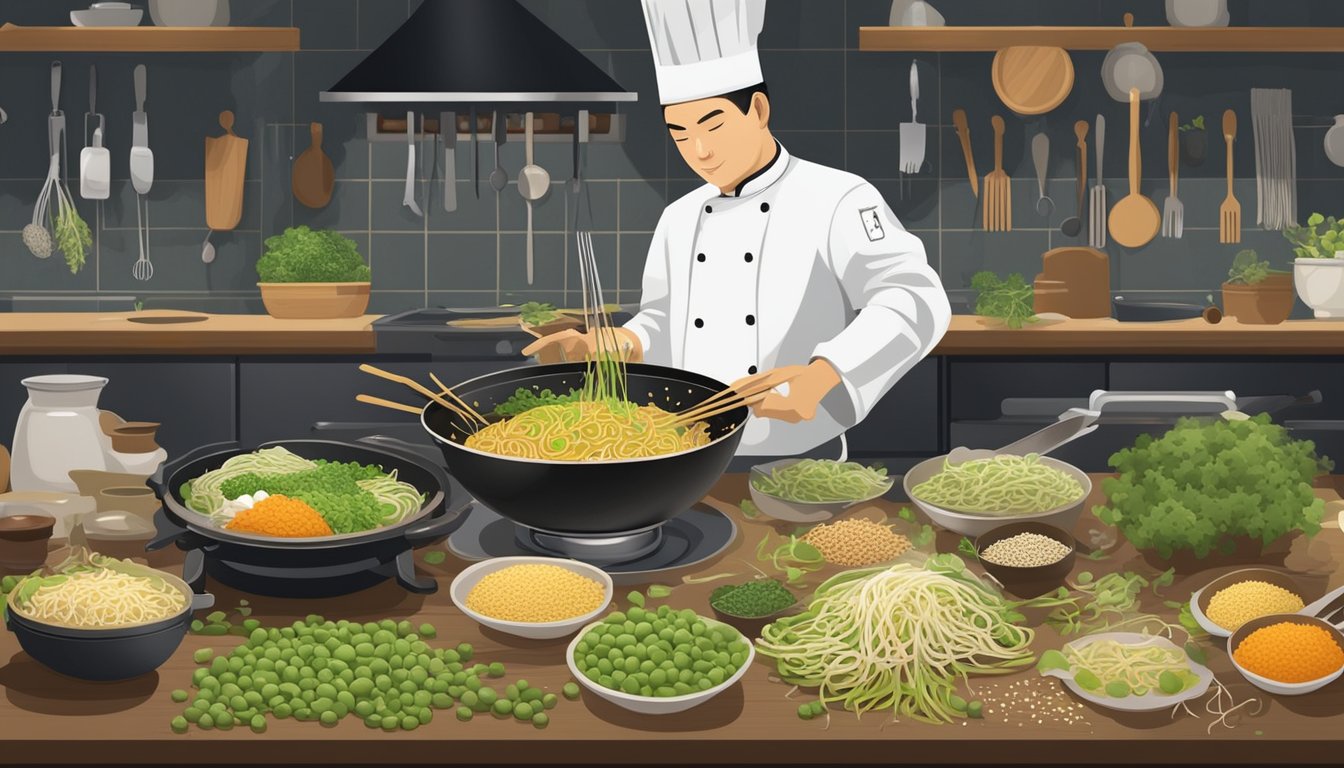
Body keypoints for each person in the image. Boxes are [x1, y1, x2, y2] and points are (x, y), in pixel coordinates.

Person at [525, 0, 951, 460]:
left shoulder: (839, 198)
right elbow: (663, 322)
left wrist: (822, 374)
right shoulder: (679, 217)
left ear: (759, 109)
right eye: (680, 133)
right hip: (687, 453)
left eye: (713, 124)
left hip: (800, 461)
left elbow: (915, 300)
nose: (700, 151)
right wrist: (610, 345)